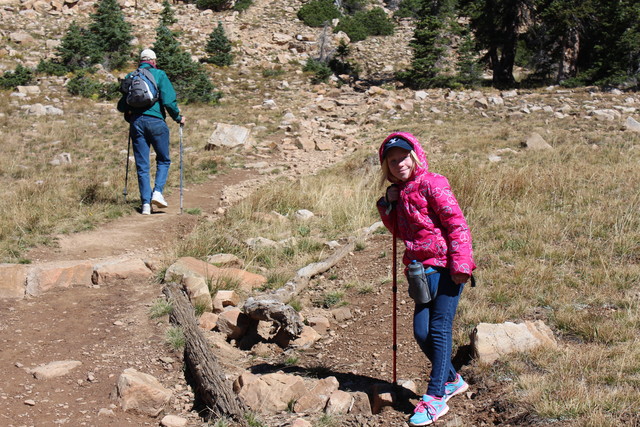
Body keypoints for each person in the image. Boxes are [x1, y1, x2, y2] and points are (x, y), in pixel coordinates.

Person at [376, 132, 476, 426]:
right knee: (422, 332)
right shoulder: (400, 192)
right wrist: (388, 204)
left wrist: (461, 263)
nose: (399, 164)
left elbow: (457, 224)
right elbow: (400, 232)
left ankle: (435, 397)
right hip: (420, 272)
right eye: (392, 161)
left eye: (403, 157)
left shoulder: (434, 183)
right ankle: (453, 380)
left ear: (415, 155)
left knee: (439, 329)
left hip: (446, 268)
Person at [118, 48, 186, 215]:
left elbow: (121, 106)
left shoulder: (131, 76)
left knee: (142, 165)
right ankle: (157, 192)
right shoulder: (160, 74)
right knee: (163, 160)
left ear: (140, 61)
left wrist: (131, 116)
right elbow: (169, 101)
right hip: (156, 122)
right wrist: (178, 117)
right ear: (154, 61)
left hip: (136, 123)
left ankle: (145, 204)